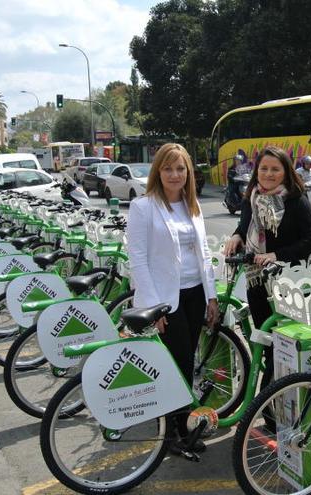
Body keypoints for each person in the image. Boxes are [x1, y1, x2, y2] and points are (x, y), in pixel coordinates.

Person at [125, 143, 219, 453]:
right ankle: (169, 436)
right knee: (174, 365)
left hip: (194, 295)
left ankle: (181, 428)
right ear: (158, 172)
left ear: (189, 172)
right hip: (165, 300)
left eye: (180, 169)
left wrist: (211, 296)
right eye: (168, 168)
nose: (174, 174)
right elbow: (137, 258)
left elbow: (203, 253)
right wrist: (153, 307)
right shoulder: (143, 207)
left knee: (187, 362)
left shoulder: (193, 205)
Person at [223, 145, 311, 394]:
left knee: (286, 347)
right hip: (258, 282)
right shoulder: (252, 198)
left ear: (285, 172)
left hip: (289, 284)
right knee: (266, 345)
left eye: (275, 169)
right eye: (264, 168)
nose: (268, 173)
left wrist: (276, 255)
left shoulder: (296, 200)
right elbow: (244, 226)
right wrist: (236, 236)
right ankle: (272, 407)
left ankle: (281, 403)